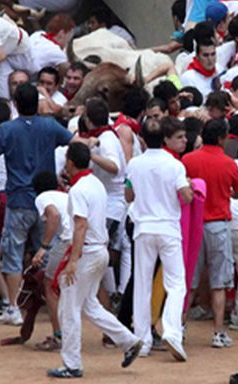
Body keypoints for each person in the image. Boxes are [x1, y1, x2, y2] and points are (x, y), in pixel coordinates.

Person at [48, 142, 142, 378]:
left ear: (70, 162)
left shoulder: (79, 189)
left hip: (87, 253)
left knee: (69, 308)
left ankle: (72, 364)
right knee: (89, 305)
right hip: (98, 250)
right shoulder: (95, 184)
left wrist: (73, 260)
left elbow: (80, 225)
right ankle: (128, 341)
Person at [0, 84, 76, 326]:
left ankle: (14, 308)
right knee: (46, 251)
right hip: (46, 199)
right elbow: (74, 141)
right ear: (36, 105)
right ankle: (52, 301)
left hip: (17, 200)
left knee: (13, 256)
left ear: (15, 104)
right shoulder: (49, 126)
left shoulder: (6, 129)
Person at [125, 118, 193, 361]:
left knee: (142, 284)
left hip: (143, 227)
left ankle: (141, 340)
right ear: (164, 138)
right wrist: (190, 191)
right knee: (176, 284)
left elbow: (129, 195)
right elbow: (185, 196)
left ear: (142, 139)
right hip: (168, 227)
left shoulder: (134, 163)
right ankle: (172, 332)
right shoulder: (174, 165)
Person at [182, 118, 238, 347]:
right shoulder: (229, 163)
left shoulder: (188, 159)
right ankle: (218, 333)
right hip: (219, 224)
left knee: (189, 281)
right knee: (219, 282)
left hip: (194, 224)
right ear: (221, 138)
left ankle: (179, 328)